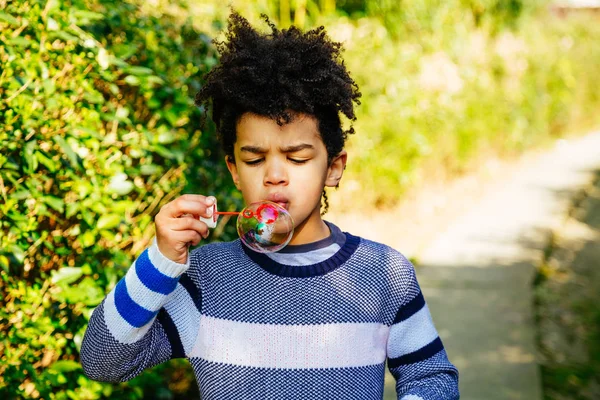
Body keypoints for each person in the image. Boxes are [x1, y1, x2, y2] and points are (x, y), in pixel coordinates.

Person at [80, 11, 459, 400]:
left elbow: (431, 378)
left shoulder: (383, 275)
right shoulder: (205, 280)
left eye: (296, 157)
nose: (274, 175)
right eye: (254, 159)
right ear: (233, 170)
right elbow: (102, 361)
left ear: (333, 167)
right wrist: (160, 260)